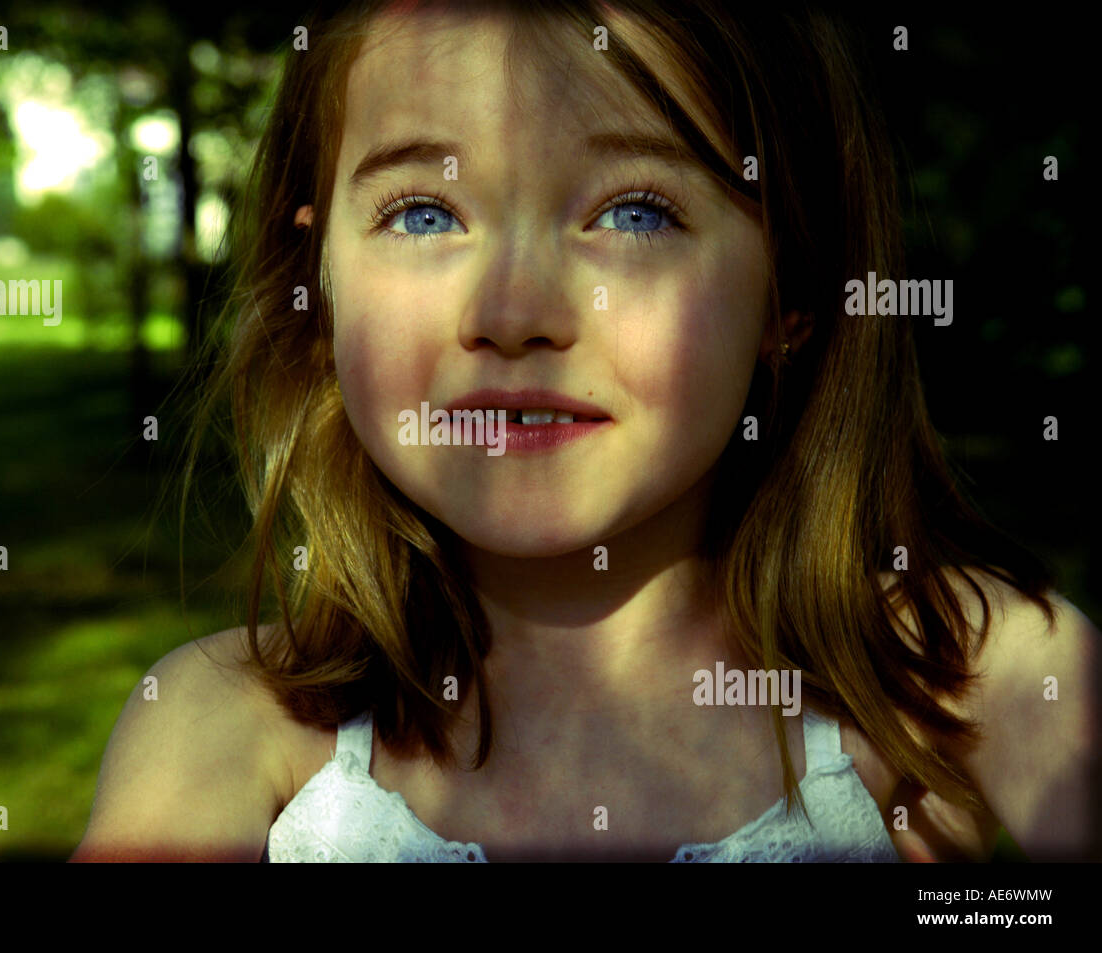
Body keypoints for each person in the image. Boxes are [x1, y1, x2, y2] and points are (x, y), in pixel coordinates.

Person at [72, 0, 1099, 862]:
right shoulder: (223, 731)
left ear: (791, 293)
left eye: (634, 213)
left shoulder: (955, 674)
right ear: (317, 283)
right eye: (425, 213)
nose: (513, 311)